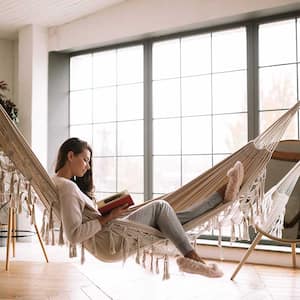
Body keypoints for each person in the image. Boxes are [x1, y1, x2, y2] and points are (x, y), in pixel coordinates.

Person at [52, 137, 244, 278]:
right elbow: (74, 235)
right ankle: (192, 257)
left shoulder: (60, 184)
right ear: (71, 156)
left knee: (173, 219)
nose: (87, 166)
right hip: (112, 238)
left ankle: (223, 196)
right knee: (161, 207)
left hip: (109, 237)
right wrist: (107, 218)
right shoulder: (68, 187)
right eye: (85, 159)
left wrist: (108, 213)